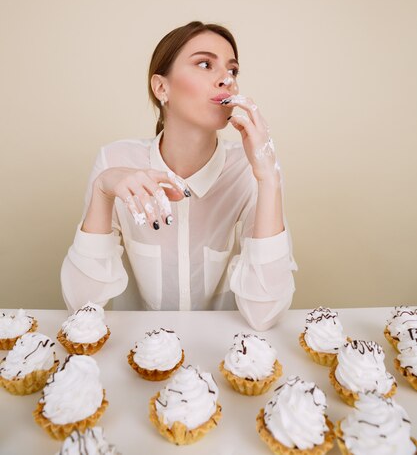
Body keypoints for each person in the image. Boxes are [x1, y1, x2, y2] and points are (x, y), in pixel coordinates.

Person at [61, 21, 297, 331]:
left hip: (221, 356)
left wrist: (269, 179)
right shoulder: (115, 161)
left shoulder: (248, 169)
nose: (227, 80)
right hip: (138, 357)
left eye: (233, 71)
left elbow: (264, 315)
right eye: (204, 64)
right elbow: (81, 306)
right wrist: (103, 192)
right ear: (161, 88)